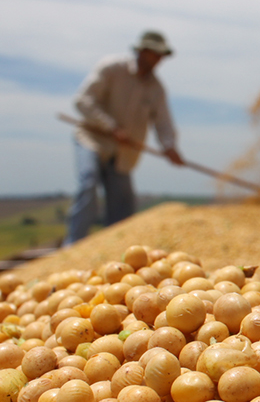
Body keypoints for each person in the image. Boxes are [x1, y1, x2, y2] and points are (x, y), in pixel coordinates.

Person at [63, 30, 186, 246]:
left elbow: (164, 123)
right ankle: (73, 245)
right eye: (154, 54)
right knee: (89, 182)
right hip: (93, 138)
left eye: (161, 56)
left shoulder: (156, 89)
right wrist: (111, 127)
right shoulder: (112, 68)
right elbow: (83, 101)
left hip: (123, 152)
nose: (158, 60)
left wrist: (170, 147)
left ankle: (115, 252)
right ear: (142, 51)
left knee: (123, 206)